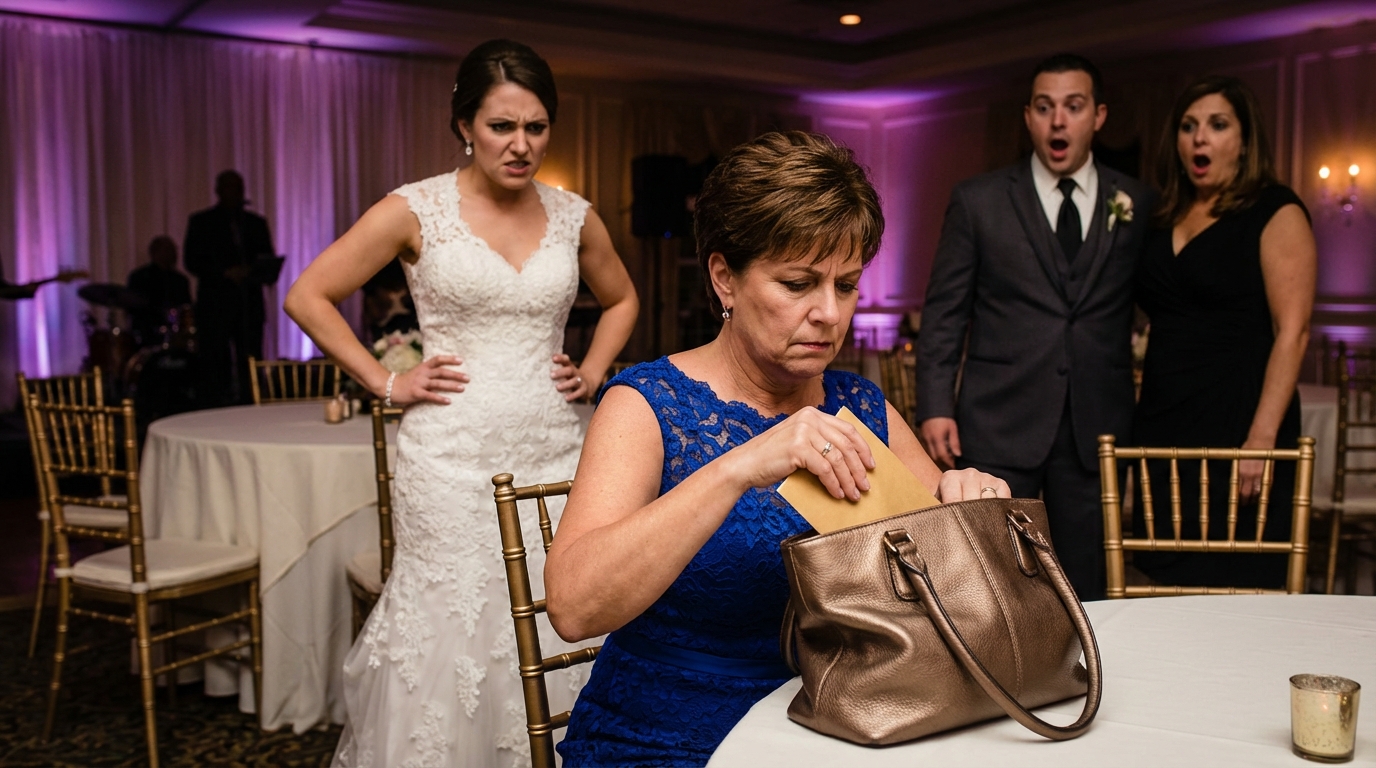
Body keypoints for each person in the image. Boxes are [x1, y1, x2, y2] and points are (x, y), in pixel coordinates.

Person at [545, 131, 1009, 766]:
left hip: (845, 723)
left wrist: (967, 503)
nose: (828, 313)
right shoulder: (648, 404)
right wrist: (737, 467)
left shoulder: (861, 407)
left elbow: (951, 577)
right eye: (797, 283)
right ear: (724, 279)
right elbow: (573, 607)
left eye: (845, 285)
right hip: (669, 736)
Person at [283, 39, 638, 767]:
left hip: (552, 445)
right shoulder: (414, 208)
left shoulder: (572, 215)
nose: (521, 145)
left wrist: (596, 370)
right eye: (502, 126)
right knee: (453, 622)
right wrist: (386, 382)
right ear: (464, 127)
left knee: (559, 605)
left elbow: (623, 297)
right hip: (447, 459)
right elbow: (307, 296)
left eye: (536, 127)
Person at [914, 54, 1154, 602]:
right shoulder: (979, 201)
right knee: (997, 578)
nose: (1058, 121)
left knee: (1088, 579)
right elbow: (946, 310)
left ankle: (1096, 674)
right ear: (1028, 117)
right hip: (999, 416)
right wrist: (935, 404)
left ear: (1099, 116)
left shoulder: (1136, 202)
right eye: (1045, 108)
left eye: (1073, 107)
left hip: (1096, 421)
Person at [1131, 76, 1316, 588]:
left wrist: (1261, 440)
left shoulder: (1274, 210)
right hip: (1167, 416)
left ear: (1244, 138)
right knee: (1164, 570)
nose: (1199, 139)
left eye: (1217, 125)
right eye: (1189, 127)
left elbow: (1293, 332)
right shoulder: (1163, 214)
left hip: (1238, 419)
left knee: (1238, 576)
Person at [184, 169, 275, 405]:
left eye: (238, 187)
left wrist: (252, 271)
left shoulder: (254, 223)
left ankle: (251, 404)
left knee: (251, 357)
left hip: (248, 303)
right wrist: (224, 272)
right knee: (214, 359)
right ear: (218, 191)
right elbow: (192, 260)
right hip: (215, 304)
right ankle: (214, 406)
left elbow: (267, 259)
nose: (234, 193)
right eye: (228, 187)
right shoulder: (202, 222)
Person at [126, 235, 192, 345]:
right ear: (154, 253)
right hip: (146, 332)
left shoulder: (180, 280)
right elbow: (132, 306)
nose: (174, 254)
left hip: (176, 335)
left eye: (174, 249)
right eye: (168, 249)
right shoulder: (140, 277)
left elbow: (186, 307)